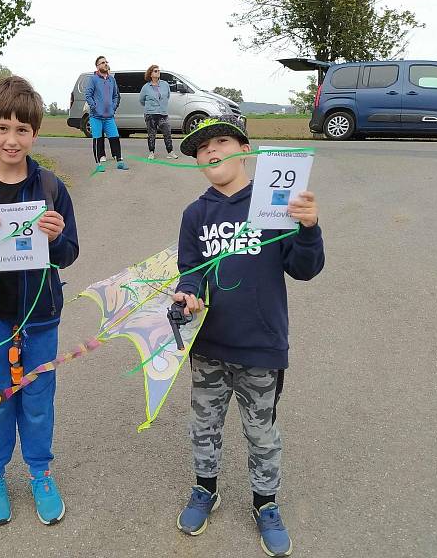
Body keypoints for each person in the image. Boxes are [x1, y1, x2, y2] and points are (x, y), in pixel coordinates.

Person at [172, 114, 324, 556]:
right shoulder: (196, 213)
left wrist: (309, 227)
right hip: (209, 347)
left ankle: (266, 503)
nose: (211, 151)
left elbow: (304, 268)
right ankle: (206, 490)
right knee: (204, 426)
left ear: (245, 149)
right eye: (202, 148)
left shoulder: (277, 202)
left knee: (262, 433)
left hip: (261, 347)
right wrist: (187, 297)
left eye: (221, 141)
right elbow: (190, 272)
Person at [0, 76, 80, 526]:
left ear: (35, 134)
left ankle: (41, 473)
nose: (11, 139)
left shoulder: (50, 186)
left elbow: (68, 254)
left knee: (39, 399)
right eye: (2, 127)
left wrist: (57, 237)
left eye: (22, 130)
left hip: (41, 317)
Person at [84, 56, 128, 172]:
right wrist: (95, 107)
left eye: (106, 62)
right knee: (98, 139)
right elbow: (88, 95)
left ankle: (119, 161)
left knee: (115, 137)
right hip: (96, 116)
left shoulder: (111, 80)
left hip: (109, 116)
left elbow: (115, 95)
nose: (105, 64)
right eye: (102, 63)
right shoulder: (93, 79)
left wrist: (113, 107)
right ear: (97, 66)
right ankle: (99, 164)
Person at [138, 64, 177, 159]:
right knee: (151, 134)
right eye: (155, 71)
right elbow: (141, 100)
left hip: (163, 113)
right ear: (150, 74)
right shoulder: (146, 87)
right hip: (150, 114)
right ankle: (151, 152)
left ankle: (170, 151)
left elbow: (167, 96)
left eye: (158, 71)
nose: (158, 72)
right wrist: (151, 107)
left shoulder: (165, 84)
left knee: (167, 132)